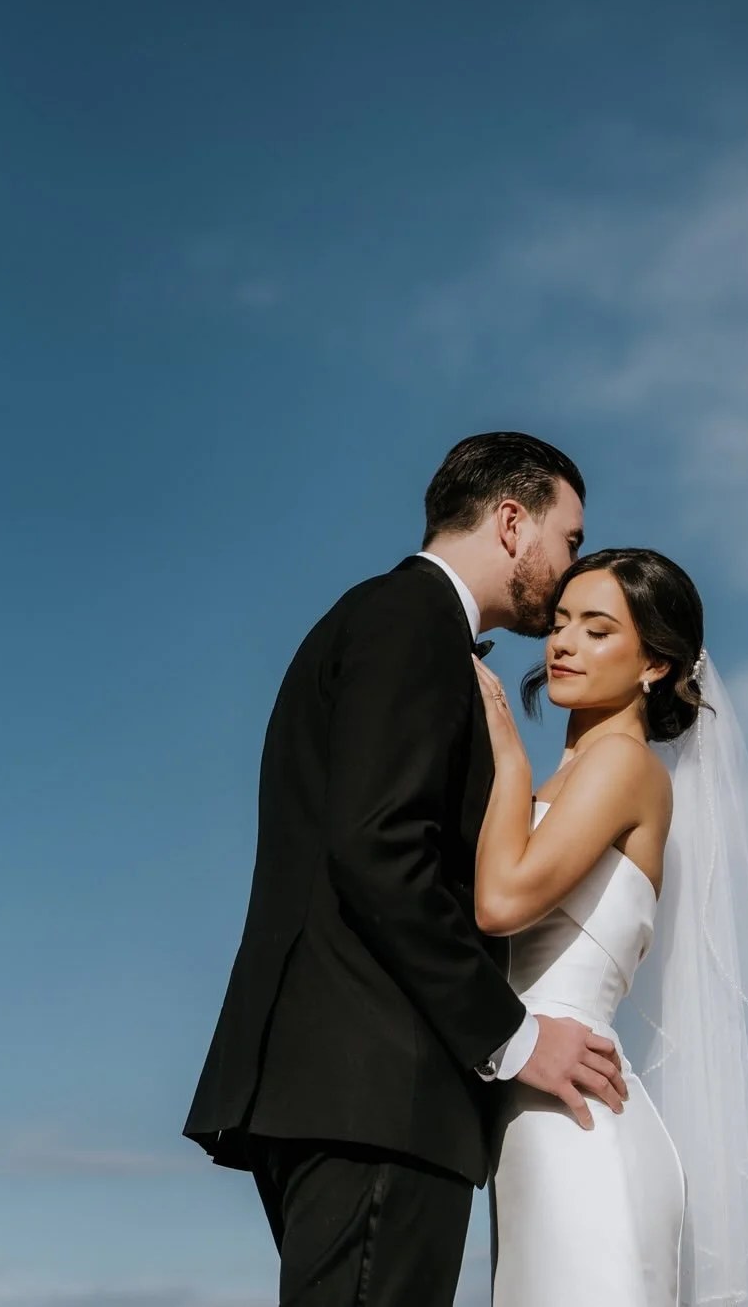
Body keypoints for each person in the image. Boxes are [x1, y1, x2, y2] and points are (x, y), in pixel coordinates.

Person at [182, 433, 628, 1307]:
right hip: (379, 1092)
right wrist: (516, 1037)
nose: (571, 567)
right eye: (569, 539)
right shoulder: (411, 620)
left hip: (348, 1089)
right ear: (511, 523)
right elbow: (378, 846)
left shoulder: (388, 619)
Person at [473, 548, 748, 1307]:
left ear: (655, 664)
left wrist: (506, 763)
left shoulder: (622, 765)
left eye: (596, 630)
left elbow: (500, 904)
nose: (561, 643)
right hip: (544, 1115)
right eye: (559, 623)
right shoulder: (582, 772)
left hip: (579, 1130)